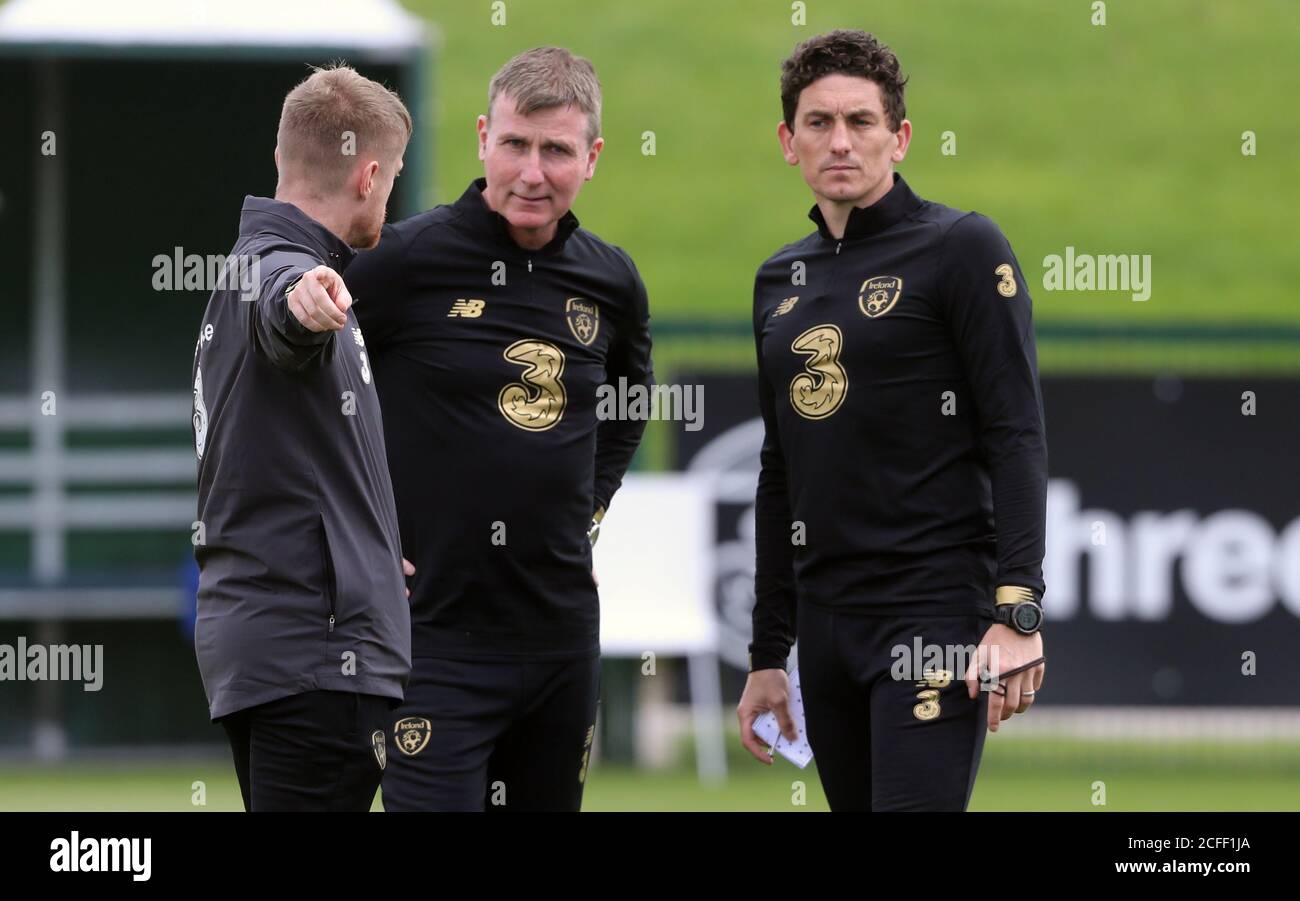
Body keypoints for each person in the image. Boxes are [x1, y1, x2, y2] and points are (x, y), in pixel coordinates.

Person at [737, 30, 1048, 811]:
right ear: (788, 141)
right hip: (828, 628)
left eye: (861, 122)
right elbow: (780, 471)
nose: (840, 141)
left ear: (899, 137)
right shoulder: (779, 278)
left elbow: (1016, 432)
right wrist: (768, 651)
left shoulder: (962, 248)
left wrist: (1018, 608)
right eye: (818, 123)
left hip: (932, 609)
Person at [346, 47, 653, 812]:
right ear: (484, 137)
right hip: (431, 640)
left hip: (559, 638)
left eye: (557, 150)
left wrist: (589, 508)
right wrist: (356, 534)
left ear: (593, 157)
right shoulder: (400, 261)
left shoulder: (611, 281)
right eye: (515, 144)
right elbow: (308, 395)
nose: (532, 172)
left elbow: (628, 400)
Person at [192, 65, 414, 811]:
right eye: (394, 179)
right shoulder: (283, 272)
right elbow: (286, 314)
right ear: (370, 174)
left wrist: (374, 545)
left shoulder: (242, 266)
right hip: (317, 656)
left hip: (275, 645)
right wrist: (305, 302)